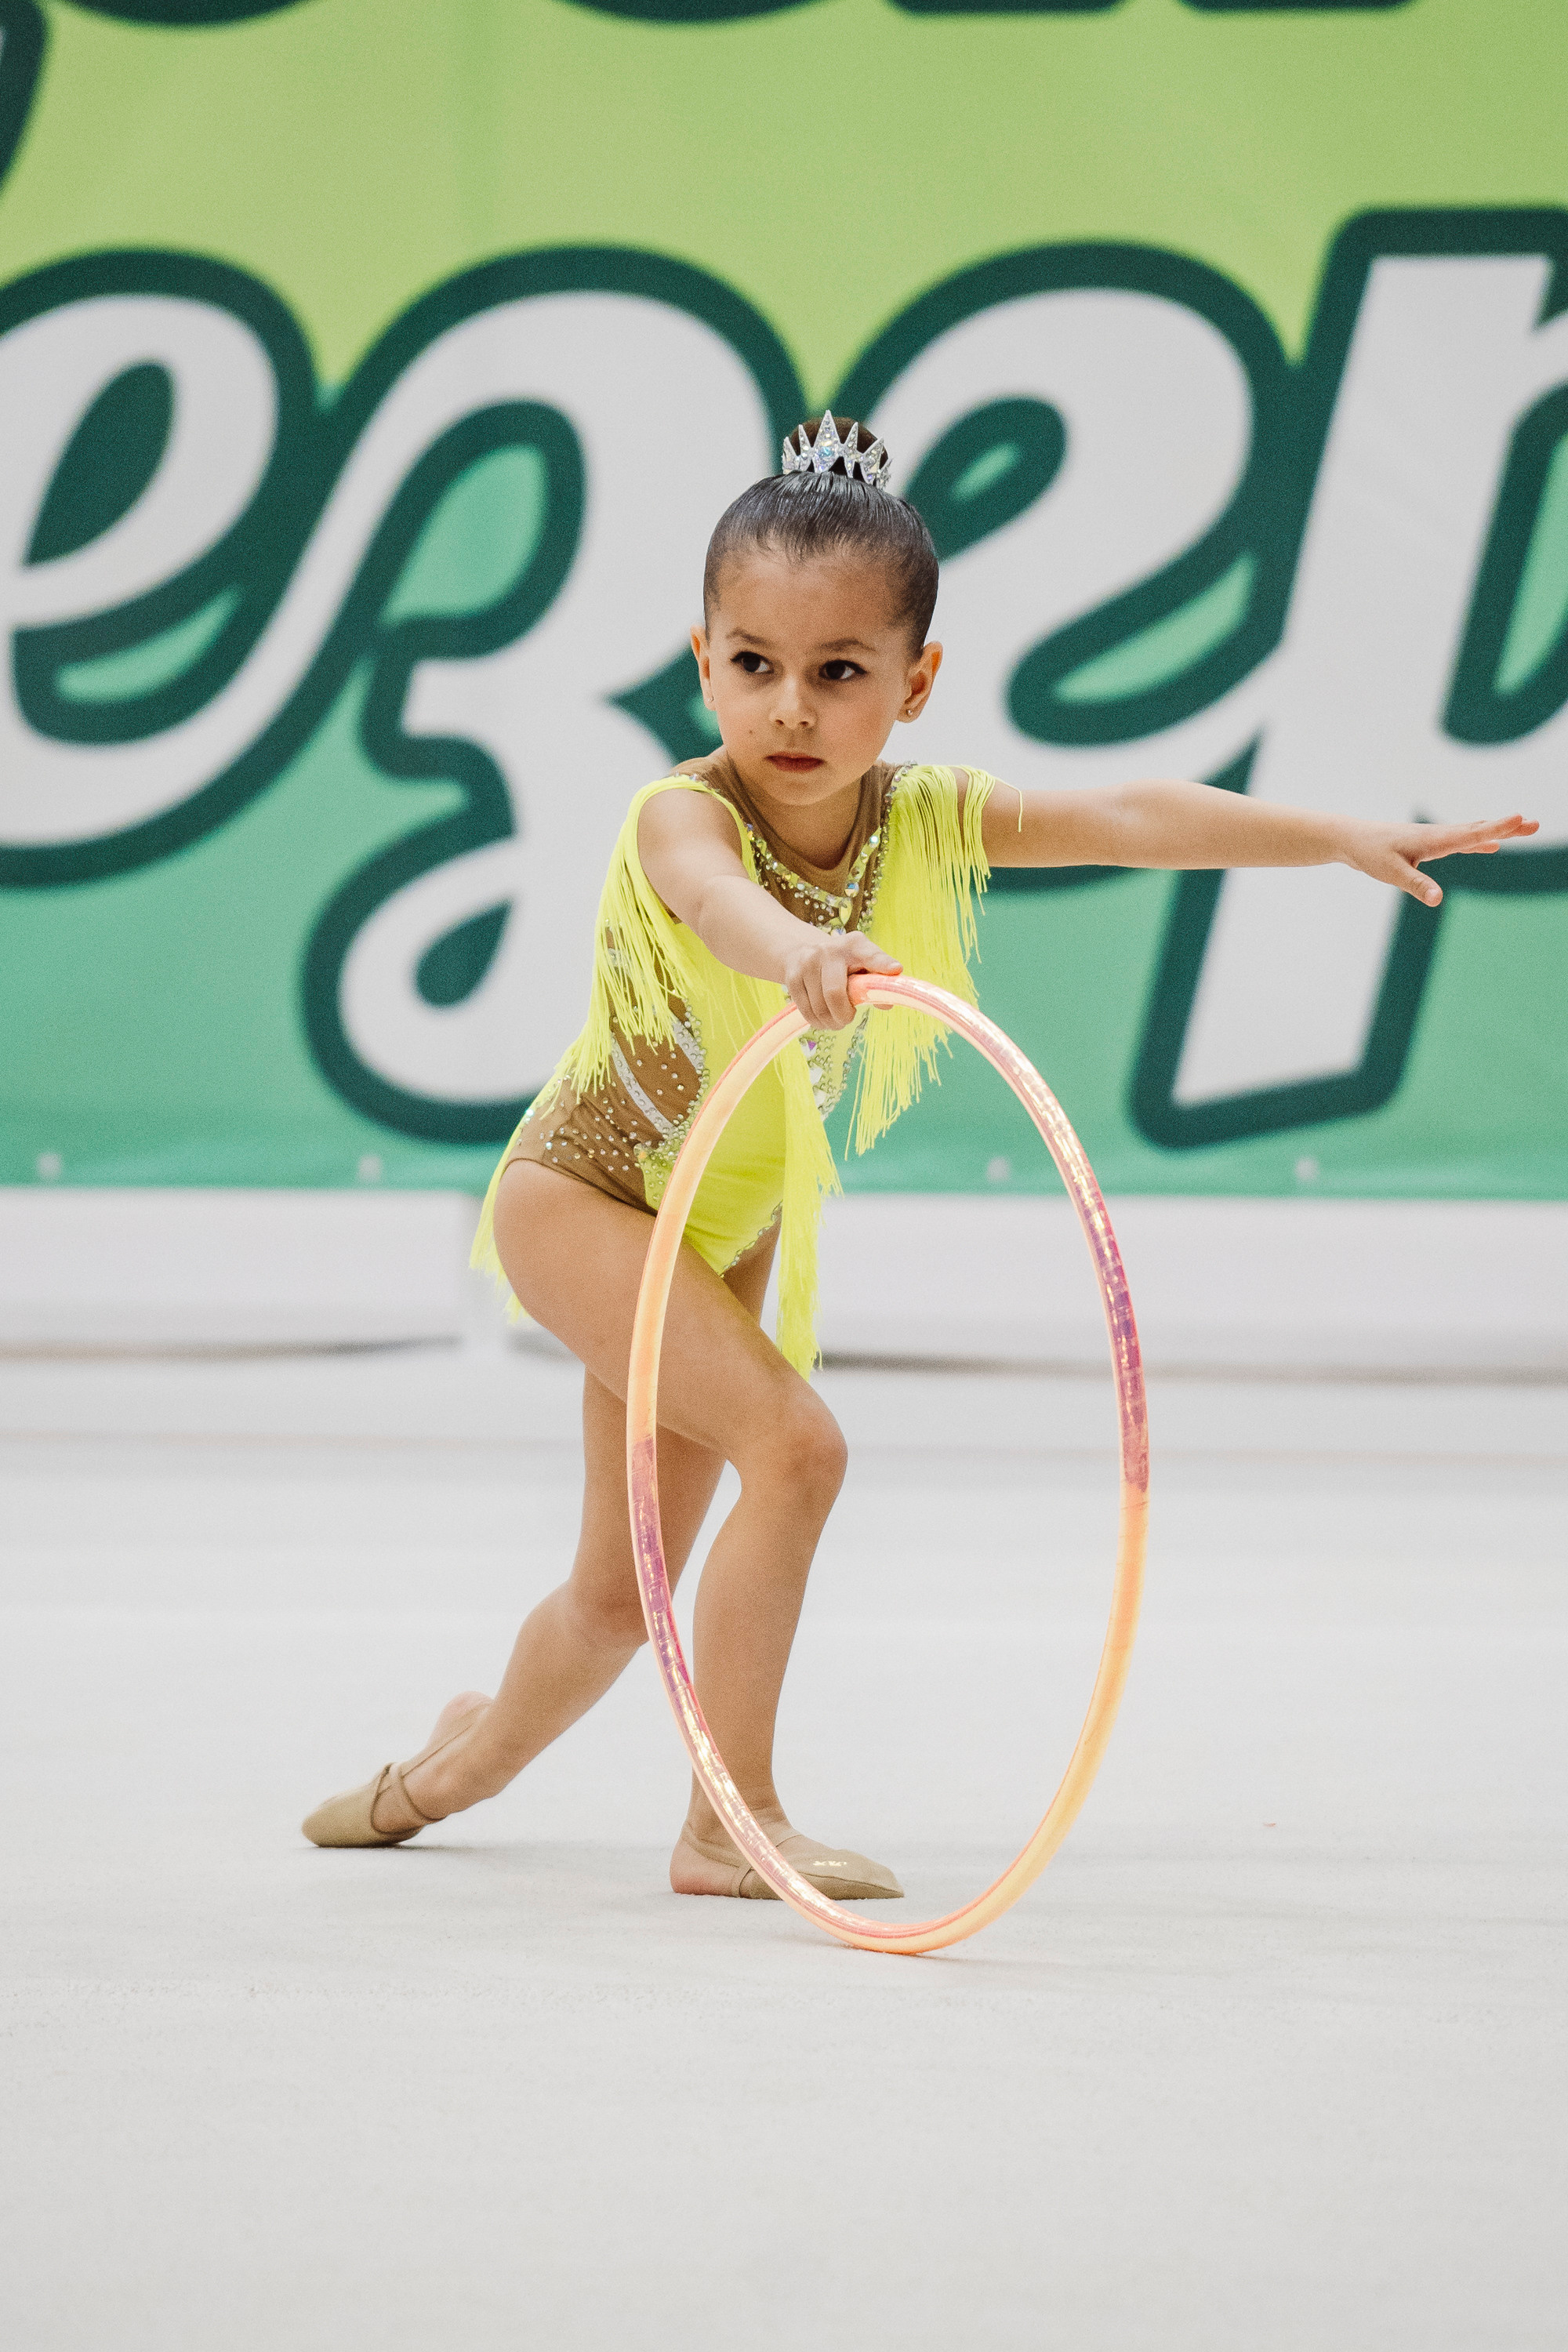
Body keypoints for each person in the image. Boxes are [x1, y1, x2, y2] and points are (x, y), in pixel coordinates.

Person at [303, 412, 1535, 1898]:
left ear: (914, 681)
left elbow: (1131, 814)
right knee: (799, 1446)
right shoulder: (678, 814)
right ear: (702, 660)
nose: (791, 707)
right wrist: (803, 945)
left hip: (722, 1225)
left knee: (620, 1601)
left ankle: (437, 1773)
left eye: (839, 672)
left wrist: (1334, 833)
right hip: (582, 1199)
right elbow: (712, 906)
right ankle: (728, 1821)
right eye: (752, 663)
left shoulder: (923, 818)